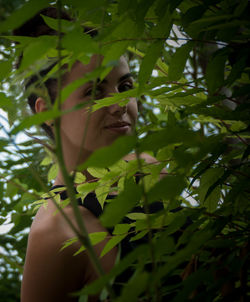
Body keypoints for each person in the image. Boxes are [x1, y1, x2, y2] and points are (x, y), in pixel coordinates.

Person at [18, 7, 162, 302]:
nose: (120, 103)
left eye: (125, 86)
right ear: (47, 112)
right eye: (94, 92)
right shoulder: (57, 233)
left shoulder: (150, 169)